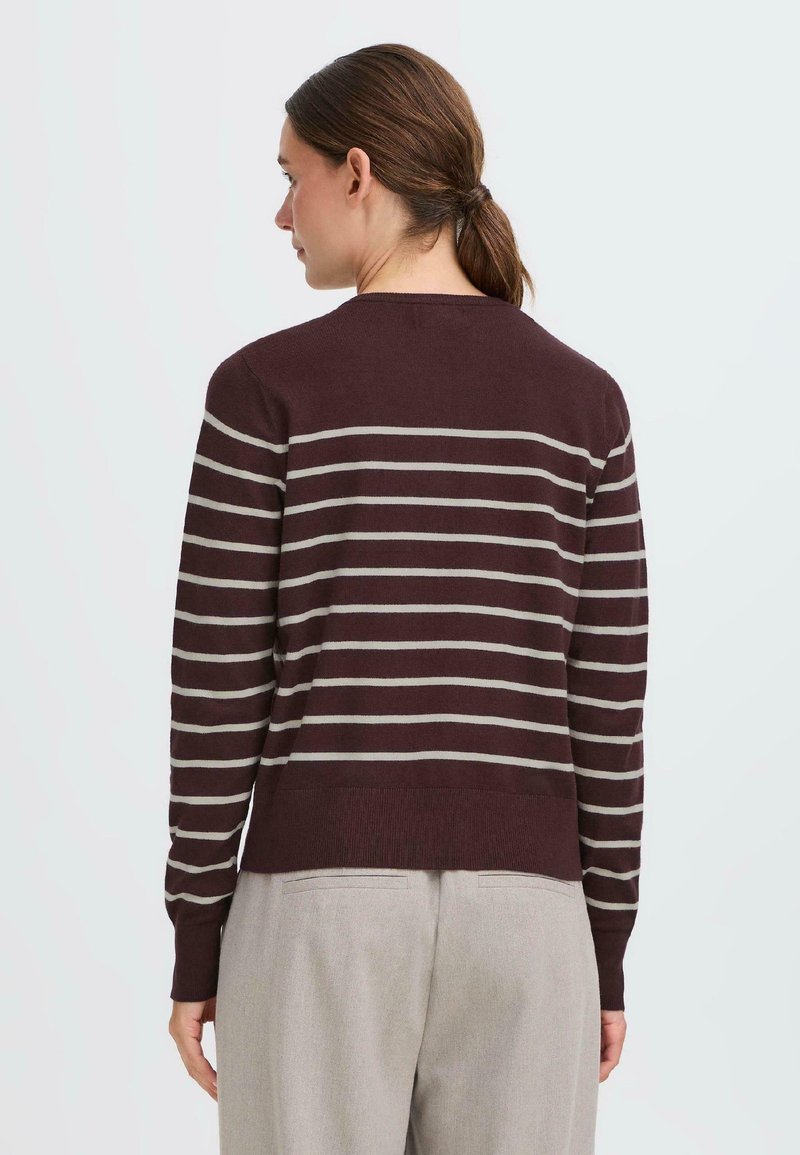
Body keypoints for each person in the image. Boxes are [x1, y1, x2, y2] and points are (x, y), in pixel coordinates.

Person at [165, 42, 648, 1155]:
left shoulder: (265, 390)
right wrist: (604, 950)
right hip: (533, 924)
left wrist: (197, 938)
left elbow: (218, 692)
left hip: (317, 916)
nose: (280, 214)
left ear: (357, 172)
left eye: (289, 177)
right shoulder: (585, 405)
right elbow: (606, 707)